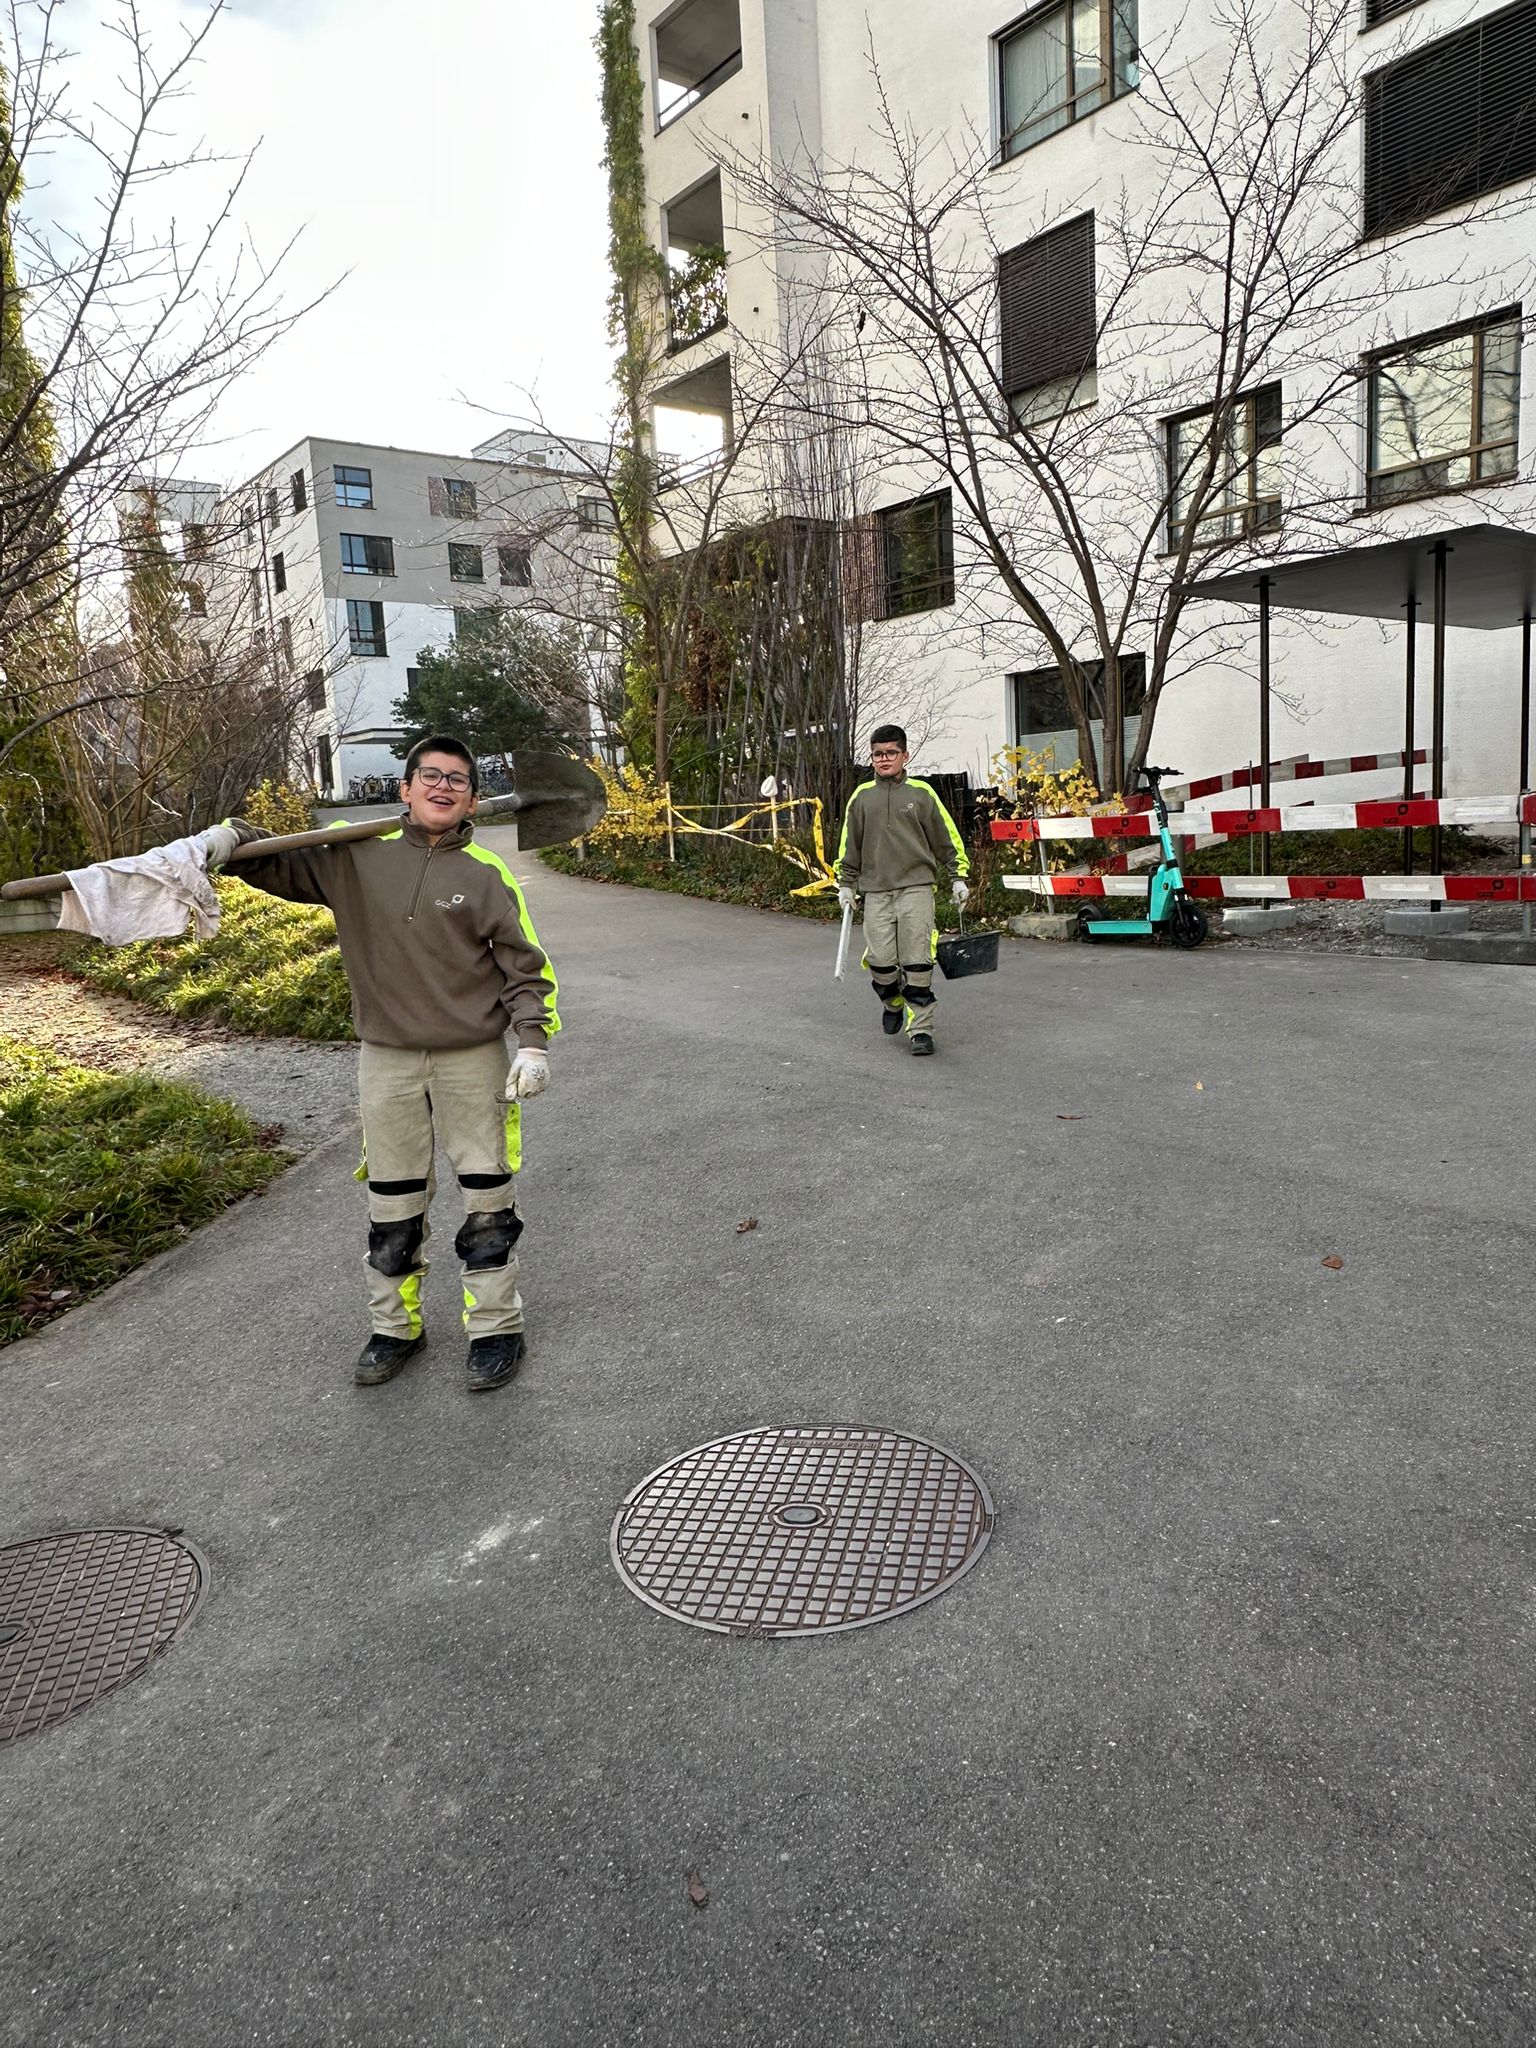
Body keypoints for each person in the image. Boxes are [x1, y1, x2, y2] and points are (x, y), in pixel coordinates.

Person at [226, 734, 559, 1392]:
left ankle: (495, 1331)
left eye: (457, 780)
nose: (442, 785)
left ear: (471, 800)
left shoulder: (486, 879)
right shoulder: (354, 861)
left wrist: (534, 1044)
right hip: (387, 1060)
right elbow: (268, 863)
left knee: (488, 1203)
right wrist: (230, 836)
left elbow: (526, 969)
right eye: (429, 776)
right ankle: (394, 1329)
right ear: (403, 790)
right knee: (393, 1204)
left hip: (472, 1060)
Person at [834, 725, 970, 1057]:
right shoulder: (862, 797)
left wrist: (958, 877)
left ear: (904, 755)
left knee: (918, 961)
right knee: (881, 961)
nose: (884, 759)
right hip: (876, 891)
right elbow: (849, 845)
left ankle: (921, 1028)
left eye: (891, 753)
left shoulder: (922, 794)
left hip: (917, 888)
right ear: (872, 758)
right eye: (878, 754)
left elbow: (946, 840)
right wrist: (845, 884)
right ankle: (892, 1001)